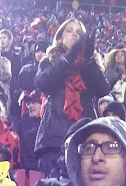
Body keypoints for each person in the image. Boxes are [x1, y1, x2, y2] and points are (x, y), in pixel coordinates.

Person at [34, 19, 109, 176]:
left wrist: (88, 59)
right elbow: (42, 82)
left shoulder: (91, 63)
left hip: (85, 136)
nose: (74, 35)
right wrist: (69, 58)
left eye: (79, 33)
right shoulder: (49, 61)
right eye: (69, 31)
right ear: (60, 37)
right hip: (54, 137)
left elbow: (103, 89)